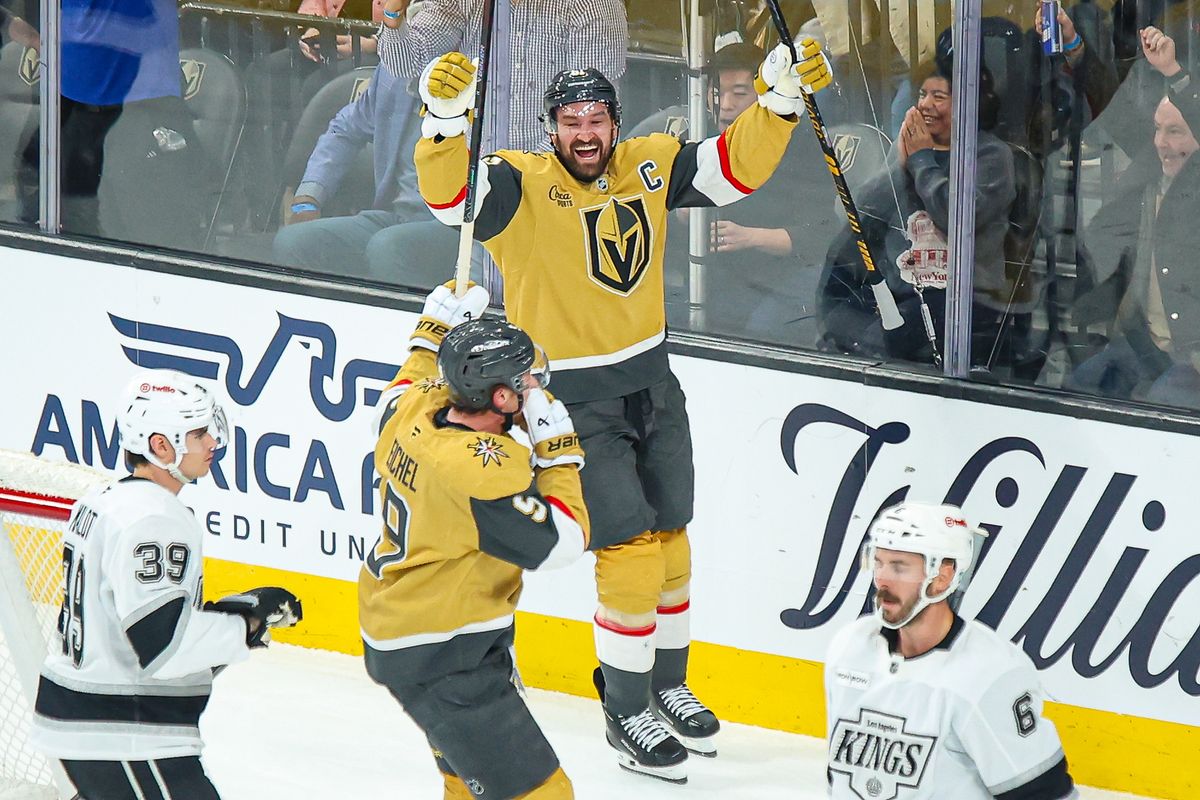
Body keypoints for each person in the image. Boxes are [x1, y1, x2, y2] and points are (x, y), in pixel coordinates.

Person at [412, 40, 833, 782]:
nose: (585, 131)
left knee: (672, 542)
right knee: (631, 553)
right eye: (570, 119)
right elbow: (452, 204)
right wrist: (444, 122)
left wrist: (779, 104)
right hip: (574, 397)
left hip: (653, 383)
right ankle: (624, 707)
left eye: (597, 117)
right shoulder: (520, 183)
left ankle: (666, 684)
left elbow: (735, 172)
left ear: (615, 122)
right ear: (550, 128)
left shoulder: (648, 161)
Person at [359, 282, 591, 800]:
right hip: (444, 658)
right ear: (501, 397)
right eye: (524, 380)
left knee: (466, 784)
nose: (534, 385)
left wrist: (430, 334)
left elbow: (397, 394)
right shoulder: (483, 470)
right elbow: (563, 543)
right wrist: (558, 456)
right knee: (545, 795)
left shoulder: (419, 408)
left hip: (421, 633)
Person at [30, 370, 302, 799]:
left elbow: (133, 628)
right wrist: (244, 625)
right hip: (126, 733)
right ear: (161, 446)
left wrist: (224, 616)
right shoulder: (154, 519)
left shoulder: (104, 502)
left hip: (94, 724)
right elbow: (162, 647)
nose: (212, 442)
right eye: (197, 434)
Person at [825, 502, 1077, 799]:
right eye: (878, 562)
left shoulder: (990, 673)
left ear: (942, 576)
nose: (882, 579)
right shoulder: (850, 647)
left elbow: (1043, 793)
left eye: (899, 566)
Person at [635, 41, 846, 347]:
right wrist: (678, 215)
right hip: (709, 277)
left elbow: (821, 235)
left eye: (739, 93)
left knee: (757, 328)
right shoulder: (694, 138)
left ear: (763, 92)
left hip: (779, 280)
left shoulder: (801, 144)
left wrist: (751, 237)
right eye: (717, 92)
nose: (726, 105)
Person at [818, 63, 1017, 364]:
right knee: (838, 323)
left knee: (876, 344)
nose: (925, 104)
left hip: (964, 295)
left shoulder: (991, 156)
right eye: (923, 94)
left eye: (939, 96)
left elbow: (959, 218)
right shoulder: (910, 150)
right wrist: (899, 164)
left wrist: (922, 160)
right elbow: (853, 212)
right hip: (899, 289)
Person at [1066, 28, 1200, 410]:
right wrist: (1074, 44)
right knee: (1078, 390)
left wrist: (1176, 73)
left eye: (1176, 131)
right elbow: (1115, 108)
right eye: (1159, 130)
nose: (1162, 143)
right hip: (1145, 345)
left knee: (1157, 410)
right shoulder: (1150, 170)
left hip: (1190, 360)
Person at [272, 63, 457, 285]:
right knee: (292, 241)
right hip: (398, 217)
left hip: (460, 229)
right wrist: (308, 198)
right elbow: (344, 129)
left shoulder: (484, 81)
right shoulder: (394, 71)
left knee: (387, 246)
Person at [377, 0, 627, 152]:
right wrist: (393, 13)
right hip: (473, 183)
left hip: (555, 189)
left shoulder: (595, 5)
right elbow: (407, 63)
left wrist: (511, 179)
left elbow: (591, 118)